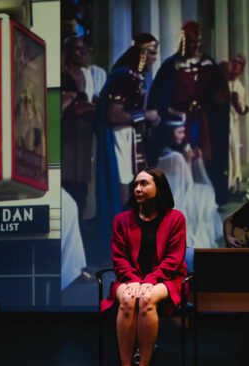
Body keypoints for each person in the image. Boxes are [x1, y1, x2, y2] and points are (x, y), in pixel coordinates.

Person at [100, 167, 187, 366]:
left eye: (144, 184)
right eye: (136, 184)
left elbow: (174, 258)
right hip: (129, 278)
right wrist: (133, 280)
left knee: (147, 298)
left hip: (165, 278)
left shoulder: (175, 218)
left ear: (159, 188)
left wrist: (149, 280)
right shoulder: (121, 220)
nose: (138, 189)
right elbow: (118, 257)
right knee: (128, 298)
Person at [148, 21, 230, 206]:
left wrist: (216, 99)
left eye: (199, 41)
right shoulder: (171, 65)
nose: (196, 45)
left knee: (203, 157)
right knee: (182, 159)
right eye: (192, 41)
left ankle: (204, 203)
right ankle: (181, 201)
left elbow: (220, 93)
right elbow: (159, 96)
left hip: (203, 119)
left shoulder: (209, 64)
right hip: (177, 121)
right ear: (183, 41)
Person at [95, 33, 161, 261]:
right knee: (124, 194)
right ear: (141, 53)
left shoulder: (136, 76)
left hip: (133, 141)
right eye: (151, 52)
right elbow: (114, 114)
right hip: (121, 141)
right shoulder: (123, 77)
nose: (154, 57)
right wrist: (146, 116)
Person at [156, 113, 222, 248]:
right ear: (170, 133)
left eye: (183, 132)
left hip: (168, 198)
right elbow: (187, 183)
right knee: (207, 193)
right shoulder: (177, 158)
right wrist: (191, 160)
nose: (182, 136)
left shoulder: (161, 154)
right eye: (179, 132)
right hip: (180, 198)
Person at [60, 35, 106, 224]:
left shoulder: (90, 74)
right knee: (67, 177)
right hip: (67, 133)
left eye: (85, 50)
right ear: (68, 50)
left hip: (86, 134)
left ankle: (81, 220)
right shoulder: (61, 73)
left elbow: (94, 101)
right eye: (77, 49)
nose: (82, 53)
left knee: (83, 180)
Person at [223, 55, 249, 195]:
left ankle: (234, 183)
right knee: (226, 152)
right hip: (221, 121)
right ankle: (227, 185)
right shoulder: (222, 81)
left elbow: (240, 108)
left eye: (238, 65)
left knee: (234, 151)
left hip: (232, 122)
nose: (235, 67)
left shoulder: (239, 87)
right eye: (234, 63)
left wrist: (239, 105)